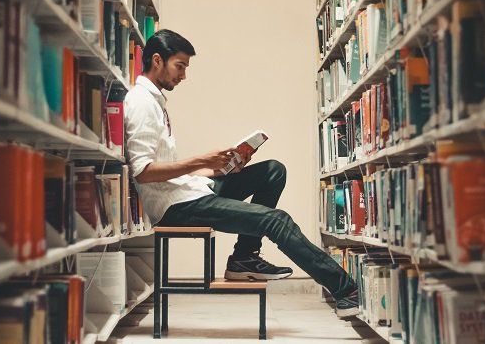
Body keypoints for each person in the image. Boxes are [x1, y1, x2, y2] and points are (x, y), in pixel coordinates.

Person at [124, 29, 359, 317]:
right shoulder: (140, 103)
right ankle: (347, 291)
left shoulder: (155, 101)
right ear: (157, 60)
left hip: (188, 191)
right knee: (276, 220)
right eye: (180, 66)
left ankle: (243, 259)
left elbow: (167, 169)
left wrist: (216, 168)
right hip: (175, 207)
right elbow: (144, 172)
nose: (183, 75)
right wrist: (200, 160)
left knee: (273, 171)